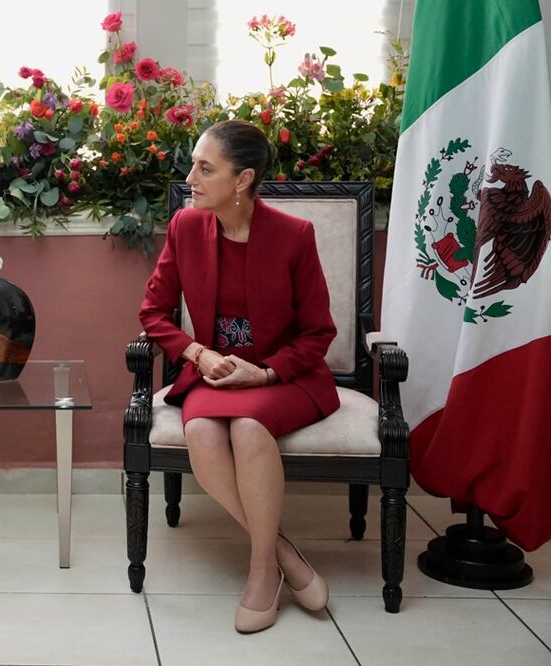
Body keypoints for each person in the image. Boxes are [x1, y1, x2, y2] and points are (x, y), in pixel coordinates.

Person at [138, 119, 338, 634]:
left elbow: (319, 332)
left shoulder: (295, 236)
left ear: (243, 179)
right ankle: (283, 554)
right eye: (193, 165)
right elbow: (154, 314)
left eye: (206, 169)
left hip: (286, 377)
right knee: (202, 430)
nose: (191, 178)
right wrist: (199, 355)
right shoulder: (185, 226)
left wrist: (267, 373)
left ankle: (260, 569)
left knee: (249, 428)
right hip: (213, 374)